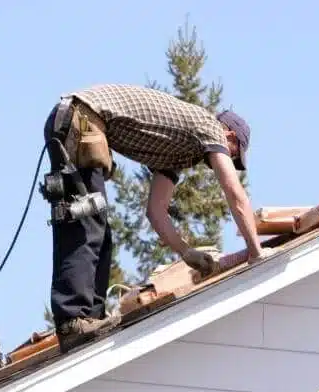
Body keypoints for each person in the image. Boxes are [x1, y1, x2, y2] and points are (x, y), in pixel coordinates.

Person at [42, 83, 273, 351]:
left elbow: (156, 211)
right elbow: (234, 193)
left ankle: (89, 319)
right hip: (81, 118)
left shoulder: (177, 152)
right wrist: (255, 251)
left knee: (98, 229)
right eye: (234, 155)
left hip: (79, 120)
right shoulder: (210, 128)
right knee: (86, 222)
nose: (229, 160)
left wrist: (187, 253)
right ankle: (73, 321)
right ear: (229, 136)